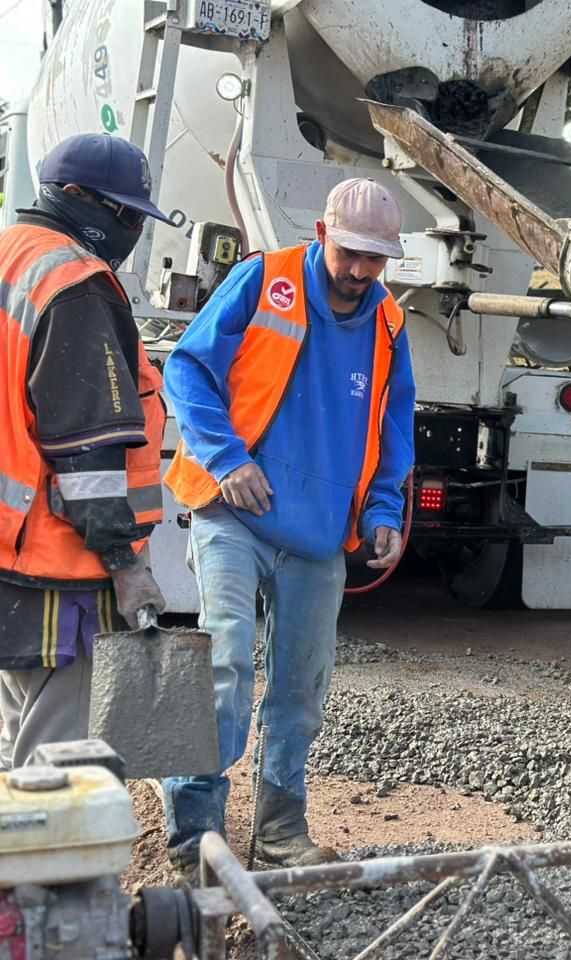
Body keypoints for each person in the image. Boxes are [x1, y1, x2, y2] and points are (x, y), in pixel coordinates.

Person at [162, 178, 416, 873]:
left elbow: (395, 427)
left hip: (320, 534)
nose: (361, 271)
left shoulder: (390, 323)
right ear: (322, 232)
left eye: (377, 259)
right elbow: (186, 369)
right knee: (225, 664)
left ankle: (278, 832)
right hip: (235, 514)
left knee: (300, 689)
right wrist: (224, 458)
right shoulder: (262, 280)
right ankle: (195, 837)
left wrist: (386, 511)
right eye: (352, 253)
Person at [0, 133, 168, 769]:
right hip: (55, 566)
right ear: (76, 198)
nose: (129, 230)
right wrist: (127, 565)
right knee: (60, 772)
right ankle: (51, 872)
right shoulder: (76, 286)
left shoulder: (10, 254)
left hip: (9, 554)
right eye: (123, 214)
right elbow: (87, 452)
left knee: (18, 747)